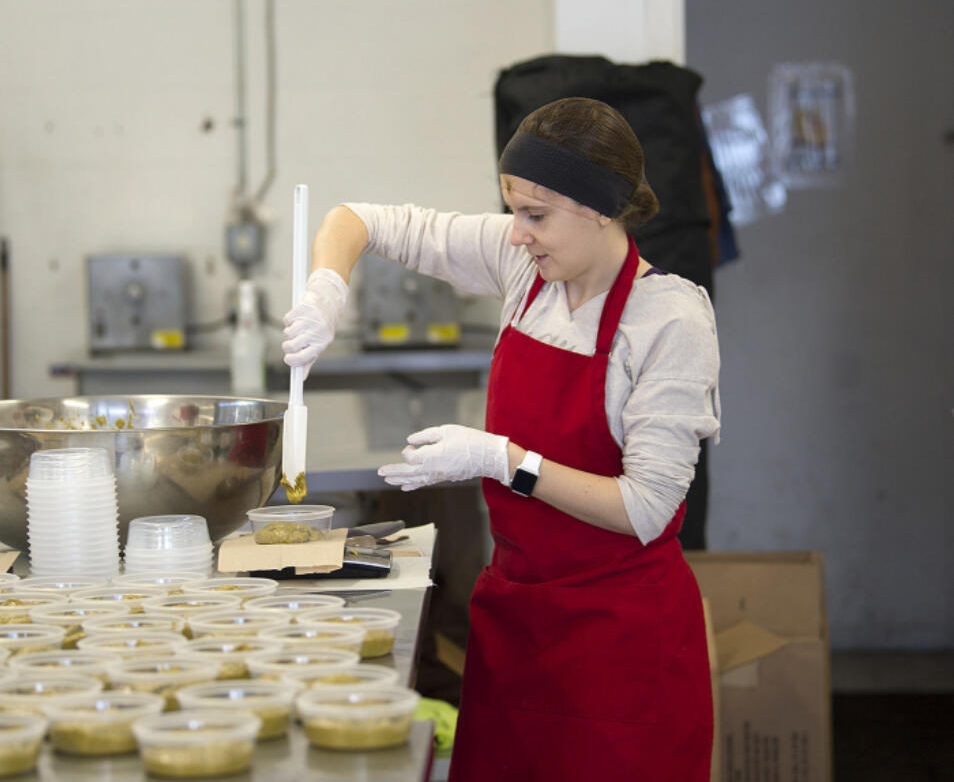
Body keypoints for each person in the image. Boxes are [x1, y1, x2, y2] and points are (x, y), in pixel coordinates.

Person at [281, 97, 720, 781]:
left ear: (602, 206)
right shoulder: (525, 271)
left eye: (535, 215)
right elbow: (357, 219)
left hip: (621, 649)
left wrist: (502, 459)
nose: (518, 234)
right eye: (513, 208)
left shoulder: (669, 320)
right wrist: (326, 288)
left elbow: (647, 506)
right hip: (516, 629)